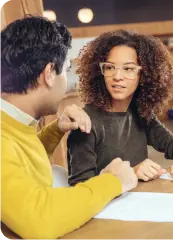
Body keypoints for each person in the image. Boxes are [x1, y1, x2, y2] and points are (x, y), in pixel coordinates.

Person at [0, 16, 137, 240]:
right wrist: (113, 182)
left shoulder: (11, 123)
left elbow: (20, 165)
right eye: (65, 70)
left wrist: (56, 130)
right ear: (48, 74)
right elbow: (39, 220)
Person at [67, 30, 173, 186]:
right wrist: (131, 173)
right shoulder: (84, 124)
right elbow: (80, 188)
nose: (117, 76)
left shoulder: (139, 113)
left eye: (128, 69)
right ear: (100, 72)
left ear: (144, 75)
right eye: (109, 67)